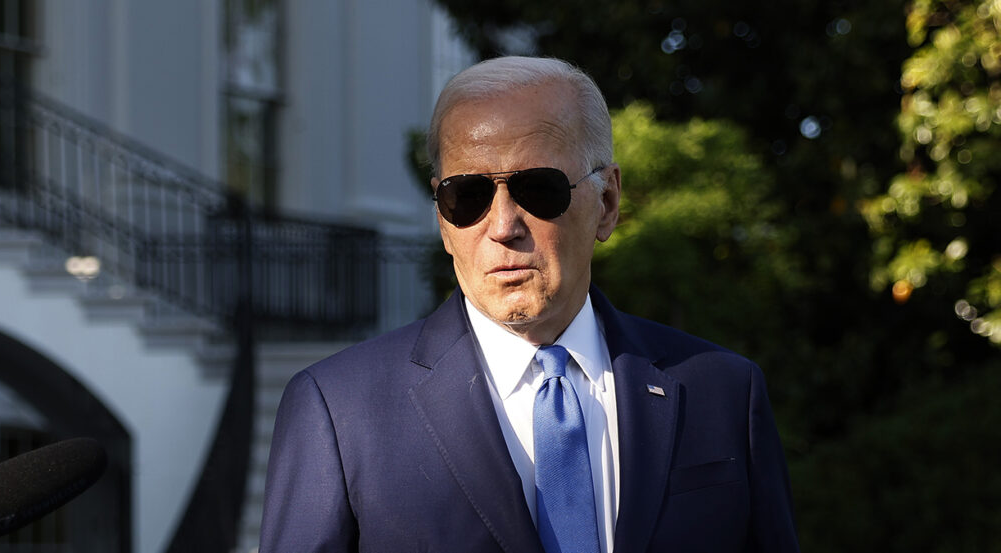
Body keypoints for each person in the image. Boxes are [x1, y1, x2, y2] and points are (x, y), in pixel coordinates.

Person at [260, 56, 799, 553]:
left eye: (538, 190)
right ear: (442, 219)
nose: (502, 227)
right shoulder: (338, 410)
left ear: (607, 202)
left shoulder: (723, 390)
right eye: (466, 196)